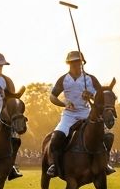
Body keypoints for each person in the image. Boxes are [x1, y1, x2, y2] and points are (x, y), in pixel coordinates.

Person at [45, 50, 115, 178]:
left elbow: (101, 98)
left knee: (108, 136)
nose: (75, 65)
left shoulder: (90, 79)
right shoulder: (64, 79)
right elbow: (52, 96)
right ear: (68, 64)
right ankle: (54, 165)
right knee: (56, 137)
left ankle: (105, 163)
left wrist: (91, 95)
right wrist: (64, 103)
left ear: (82, 63)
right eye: (73, 62)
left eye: (78, 62)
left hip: (87, 114)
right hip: (69, 115)